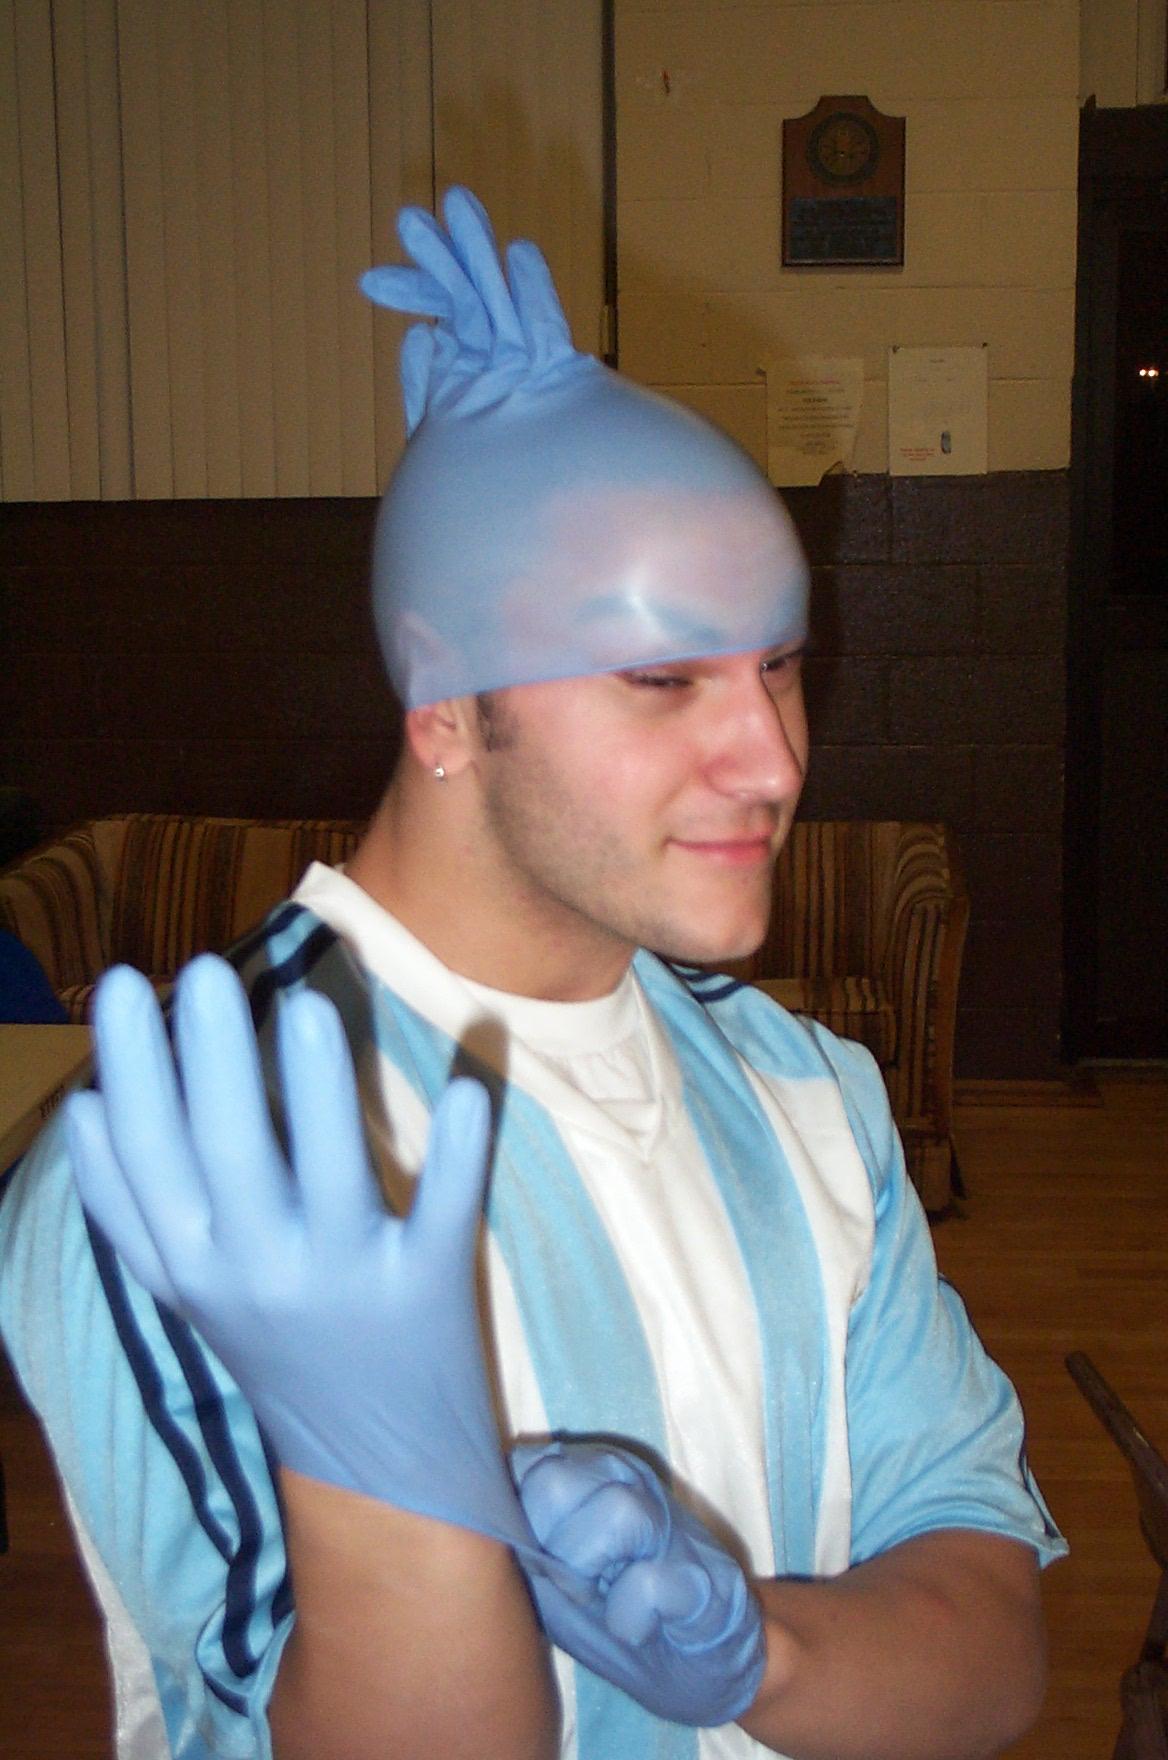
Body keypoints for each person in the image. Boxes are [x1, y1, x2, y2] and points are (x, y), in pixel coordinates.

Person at [0, 187, 1065, 1760]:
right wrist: (390, 1500)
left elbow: (994, 1638)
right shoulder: (191, 1170)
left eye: (780, 664)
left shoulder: (807, 1091)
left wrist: (762, 1656)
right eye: (664, 677)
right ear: (444, 707)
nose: (774, 759)